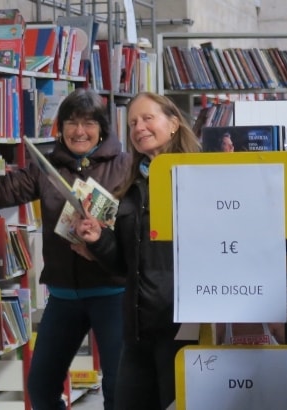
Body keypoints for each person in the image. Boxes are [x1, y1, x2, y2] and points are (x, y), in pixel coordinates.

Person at [0, 88, 131, 410]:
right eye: (71, 122)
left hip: (111, 293)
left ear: (102, 128)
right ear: (60, 128)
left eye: (88, 123)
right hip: (63, 295)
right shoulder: (47, 168)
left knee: (118, 390)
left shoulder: (124, 166)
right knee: (40, 388)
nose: (79, 131)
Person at [73, 91, 201, 410]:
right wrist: (97, 239)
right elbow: (122, 265)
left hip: (182, 328)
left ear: (173, 123)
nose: (138, 127)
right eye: (132, 123)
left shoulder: (199, 176)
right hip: (137, 330)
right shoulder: (130, 187)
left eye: (147, 118)